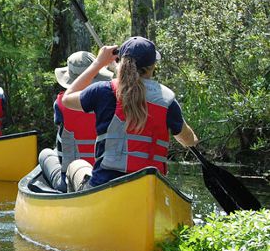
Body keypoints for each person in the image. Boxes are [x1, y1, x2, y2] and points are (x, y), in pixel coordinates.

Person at [61, 37, 199, 192]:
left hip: (104, 187)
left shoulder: (102, 91)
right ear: (152, 66)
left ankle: (77, 211)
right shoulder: (167, 101)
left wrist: (98, 63)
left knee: (76, 165)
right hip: (150, 190)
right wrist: (192, 139)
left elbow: (66, 99)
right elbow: (189, 140)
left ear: (122, 62)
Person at [38, 51, 114, 192]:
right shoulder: (111, 101)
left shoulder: (60, 103)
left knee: (46, 153)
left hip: (69, 181)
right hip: (106, 176)